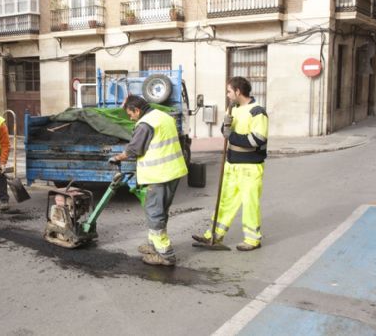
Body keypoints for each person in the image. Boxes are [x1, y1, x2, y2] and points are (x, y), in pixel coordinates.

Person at [109, 95, 188, 266]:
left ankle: (165, 254)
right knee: (159, 210)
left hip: (158, 175)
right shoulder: (163, 116)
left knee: (154, 212)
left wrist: (118, 157)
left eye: (130, 114)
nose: (130, 118)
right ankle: (154, 244)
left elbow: (135, 149)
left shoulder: (145, 124)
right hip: (173, 171)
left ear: (137, 110)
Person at [192, 76, 268, 251]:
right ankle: (213, 235)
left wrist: (230, 135)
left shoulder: (257, 112)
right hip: (232, 163)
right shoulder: (232, 108)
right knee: (225, 201)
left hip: (250, 166)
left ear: (238, 91)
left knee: (250, 203)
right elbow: (227, 131)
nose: (227, 95)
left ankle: (252, 239)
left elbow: (257, 139)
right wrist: (225, 128)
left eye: (229, 91)